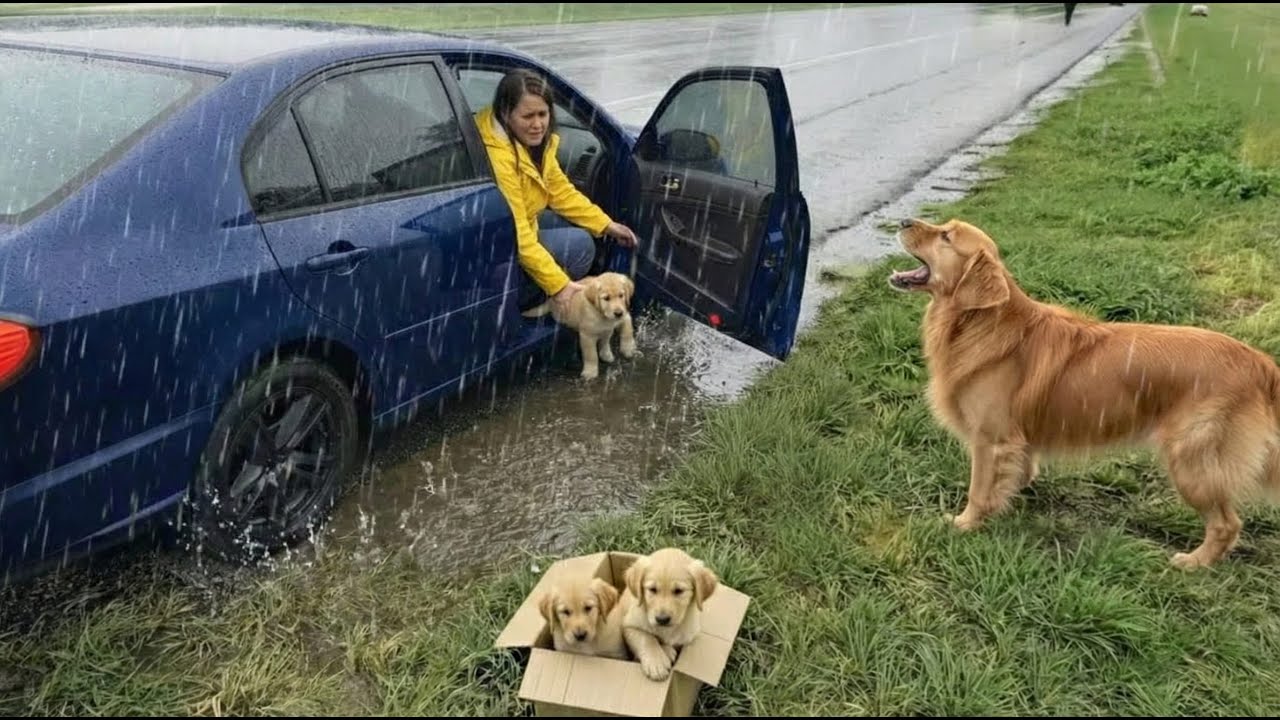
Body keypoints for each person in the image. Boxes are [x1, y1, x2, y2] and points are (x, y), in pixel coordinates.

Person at [475, 68, 640, 315]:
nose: (538, 125)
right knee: (582, 246)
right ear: (506, 113)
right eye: (528, 116)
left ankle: (525, 285)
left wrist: (606, 225)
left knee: (569, 222)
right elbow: (519, 235)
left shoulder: (528, 141)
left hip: (508, 227)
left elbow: (559, 191)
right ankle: (526, 301)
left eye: (543, 114)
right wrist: (559, 286)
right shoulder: (499, 158)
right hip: (496, 243)